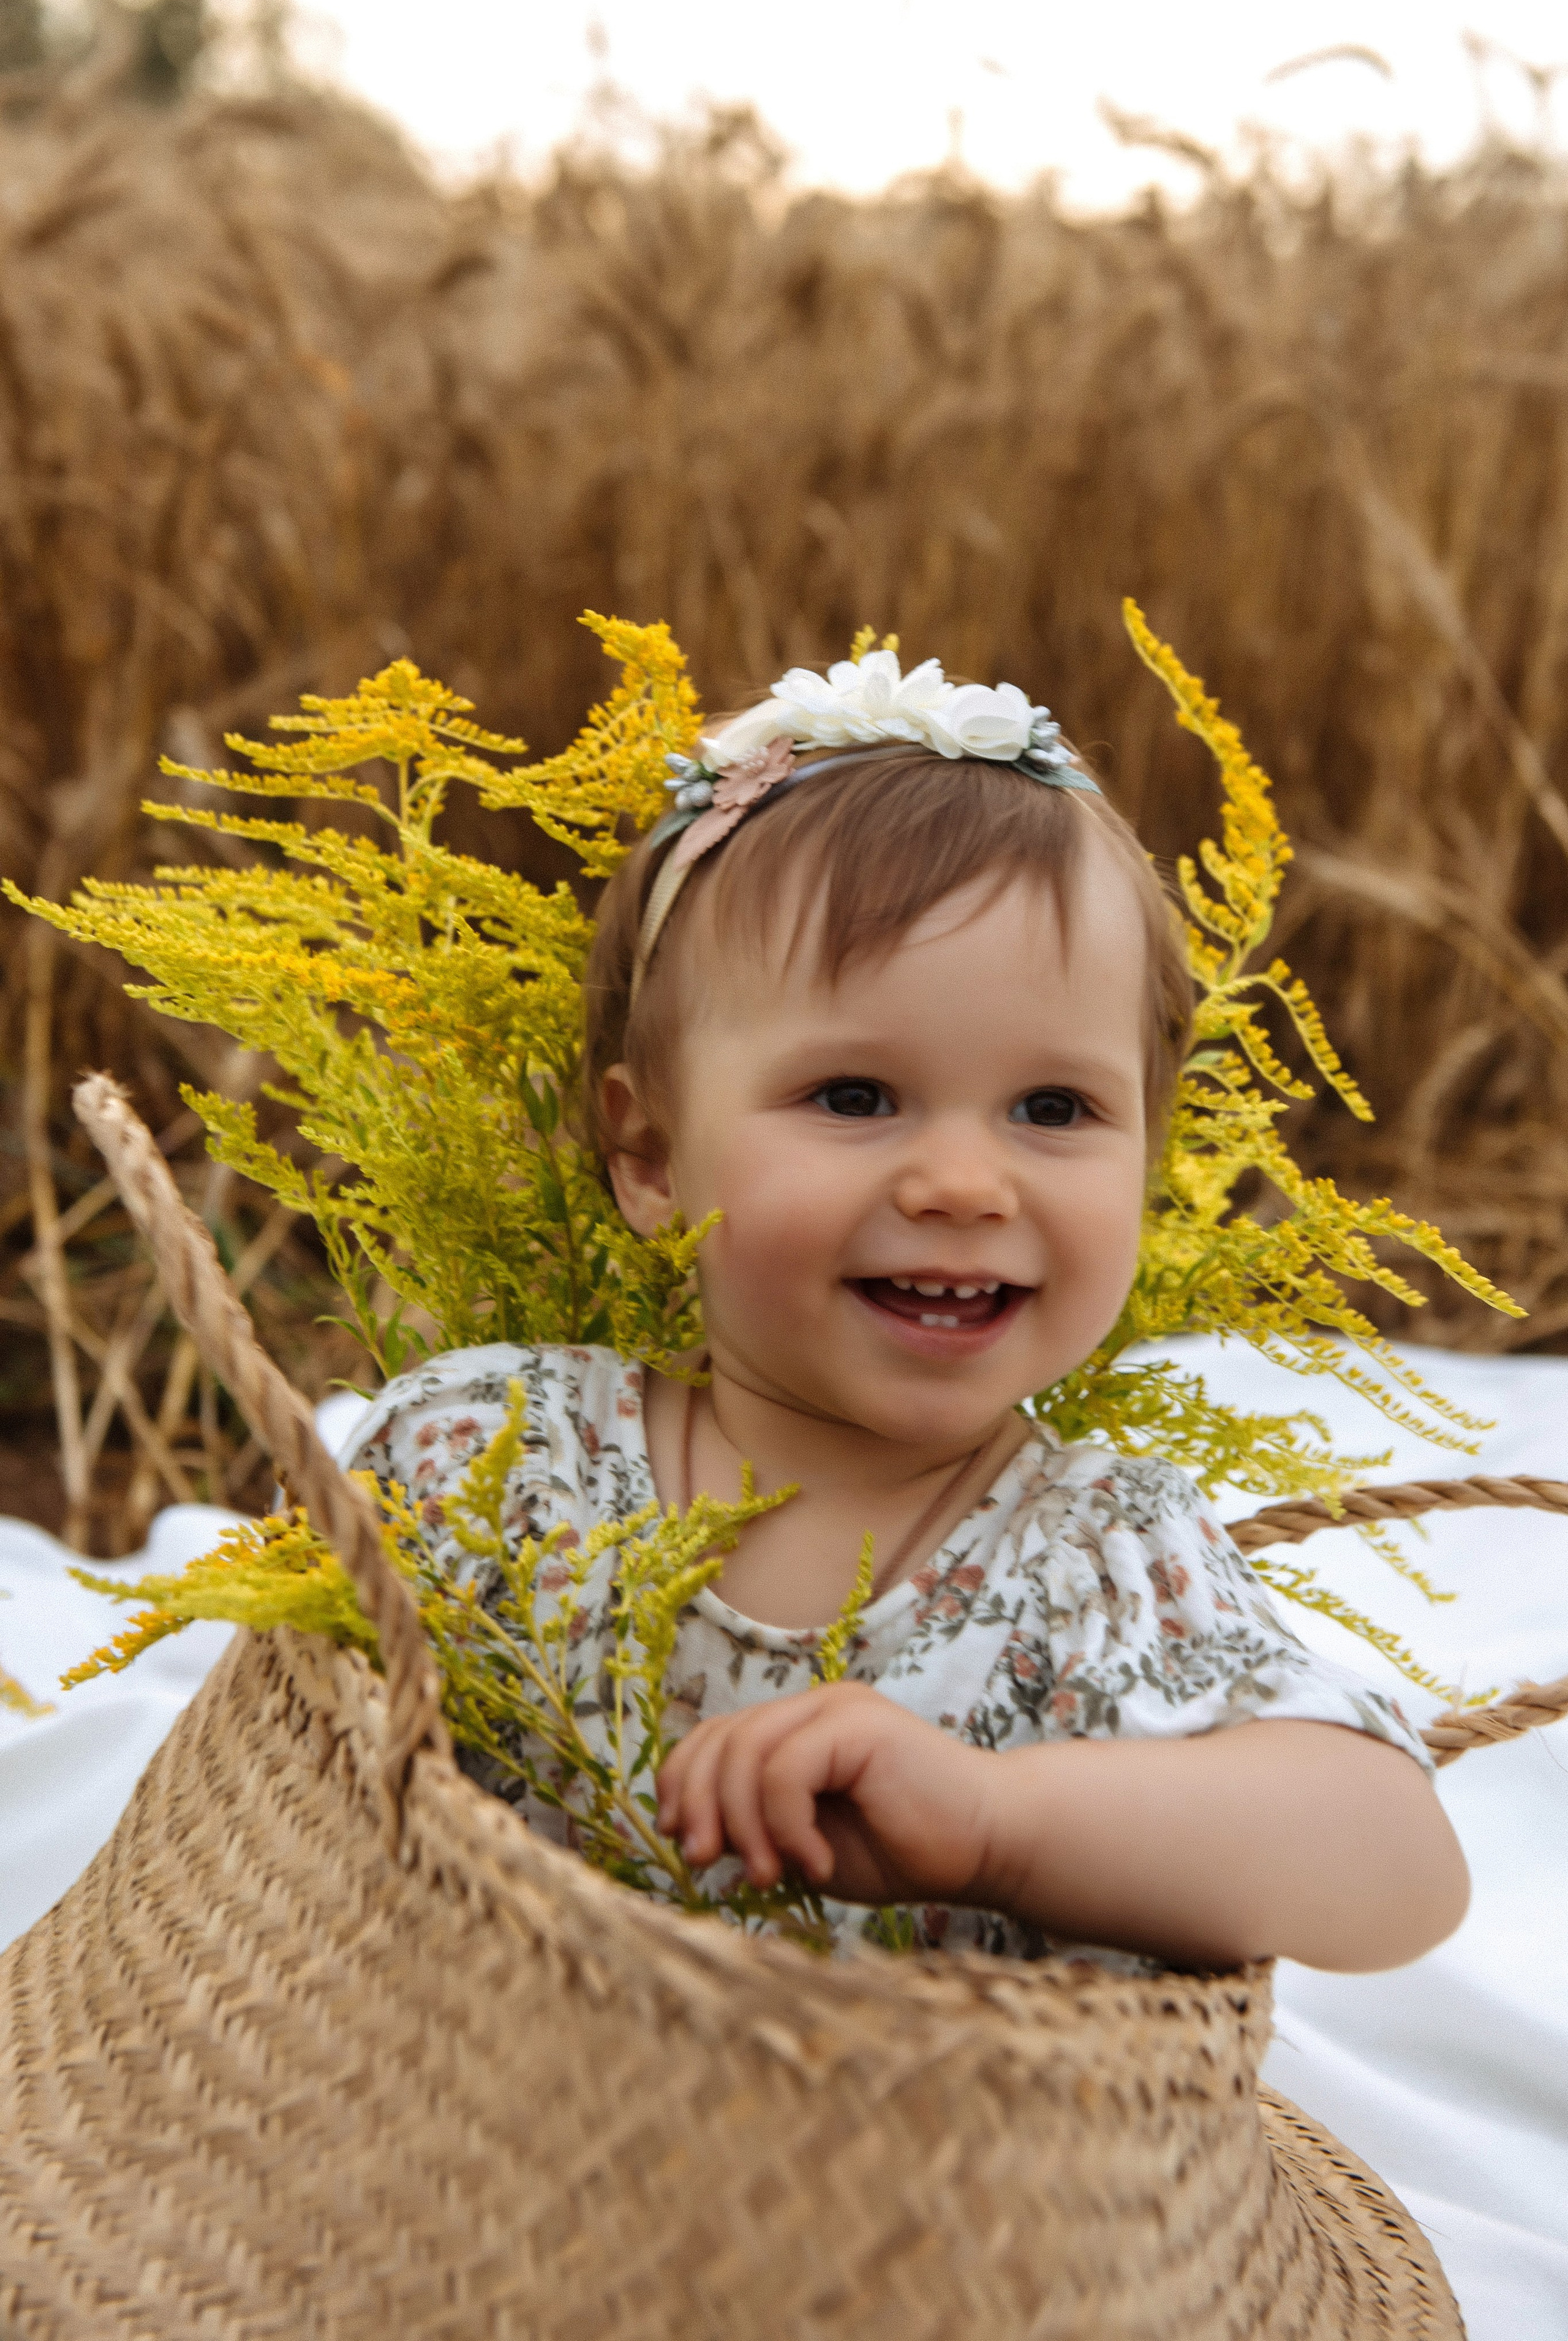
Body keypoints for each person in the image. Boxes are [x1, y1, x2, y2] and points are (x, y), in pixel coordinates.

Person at [346, 648, 1469, 1974]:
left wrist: (998, 1826)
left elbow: (1400, 1873)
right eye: (854, 1097)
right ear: (650, 1156)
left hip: (940, 2111)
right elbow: (290, 1761)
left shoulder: (1095, 1557)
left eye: (1052, 1108)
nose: (961, 1184)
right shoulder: (491, 1459)